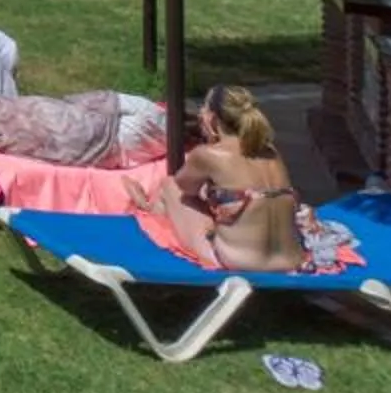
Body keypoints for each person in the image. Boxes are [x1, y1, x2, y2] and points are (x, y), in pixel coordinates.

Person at [132, 85, 340, 273]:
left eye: (203, 109)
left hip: (240, 263)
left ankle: (150, 212)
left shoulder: (208, 154)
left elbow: (185, 188)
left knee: (170, 186)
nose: (200, 114)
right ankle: (151, 209)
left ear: (213, 119)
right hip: (292, 260)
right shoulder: (270, 151)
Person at [0, 88, 169, 168]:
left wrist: (71, 101)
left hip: (73, 126)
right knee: (17, 128)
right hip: (87, 153)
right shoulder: (149, 150)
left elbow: (100, 99)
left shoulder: (150, 113)